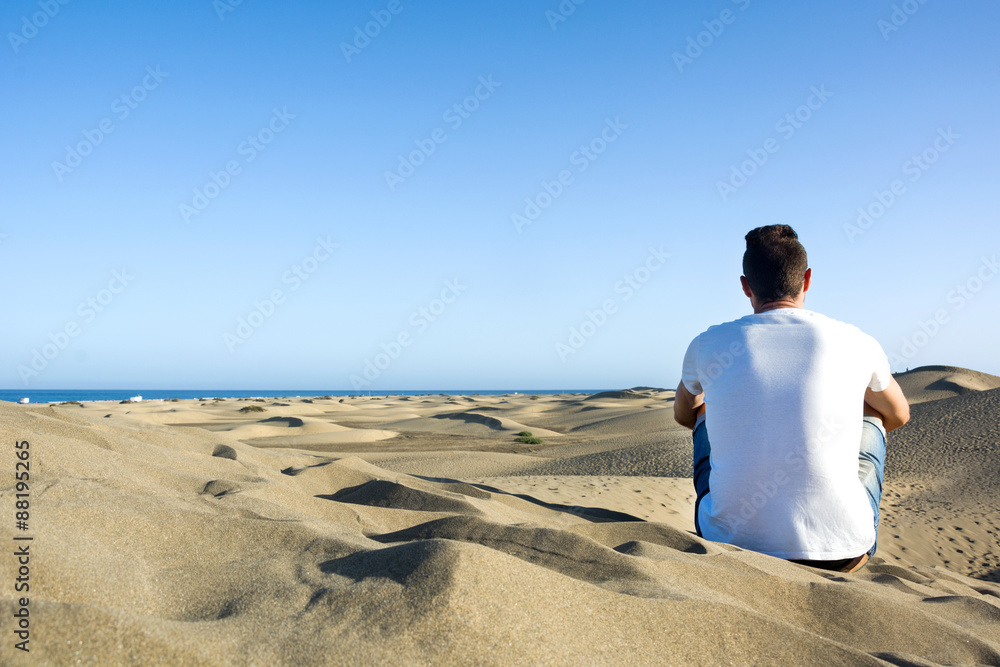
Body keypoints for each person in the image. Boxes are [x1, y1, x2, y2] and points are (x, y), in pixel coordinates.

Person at [673, 225, 910, 572]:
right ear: (807, 279)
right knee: (874, 417)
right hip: (844, 554)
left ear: (745, 286)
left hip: (729, 546)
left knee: (705, 410)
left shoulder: (708, 343)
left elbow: (684, 414)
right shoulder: (855, 341)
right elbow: (899, 415)